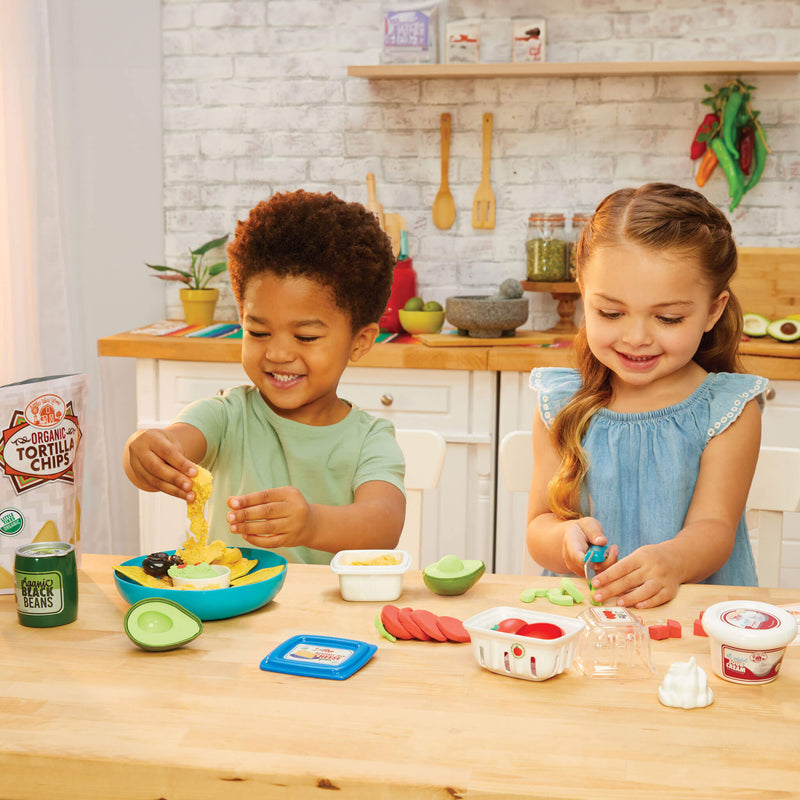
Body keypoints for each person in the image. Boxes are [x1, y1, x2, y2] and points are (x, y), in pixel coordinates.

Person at [124, 190, 406, 563]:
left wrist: (312, 524)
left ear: (360, 341)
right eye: (257, 332)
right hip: (232, 615)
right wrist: (144, 450)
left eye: (305, 337)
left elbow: (383, 525)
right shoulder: (226, 417)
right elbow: (172, 443)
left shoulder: (370, 439)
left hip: (326, 618)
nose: (277, 353)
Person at [526, 182, 767, 608]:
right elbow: (539, 526)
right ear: (583, 292)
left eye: (668, 318)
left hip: (694, 625)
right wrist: (564, 538)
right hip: (587, 622)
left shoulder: (728, 409)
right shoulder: (560, 402)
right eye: (611, 313)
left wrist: (673, 560)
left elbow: (715, 527)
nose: (636, 338)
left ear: (713, 310)